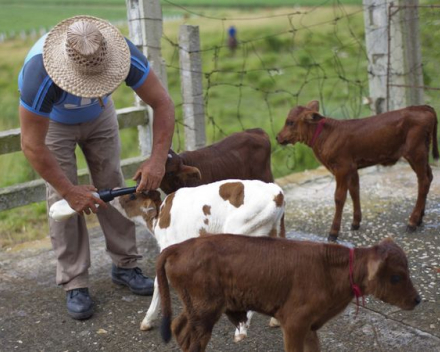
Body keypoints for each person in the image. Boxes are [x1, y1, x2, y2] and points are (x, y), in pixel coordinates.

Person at [18, 15, 175, 320]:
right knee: (65, 200)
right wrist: (69, 189)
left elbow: (163, 103)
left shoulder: (122, 53)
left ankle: (125, 265)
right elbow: (31, 145)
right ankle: (74, 280)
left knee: (112, 183)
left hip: (100, 115)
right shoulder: (39, 73)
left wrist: (157, 160)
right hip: (55, 124)